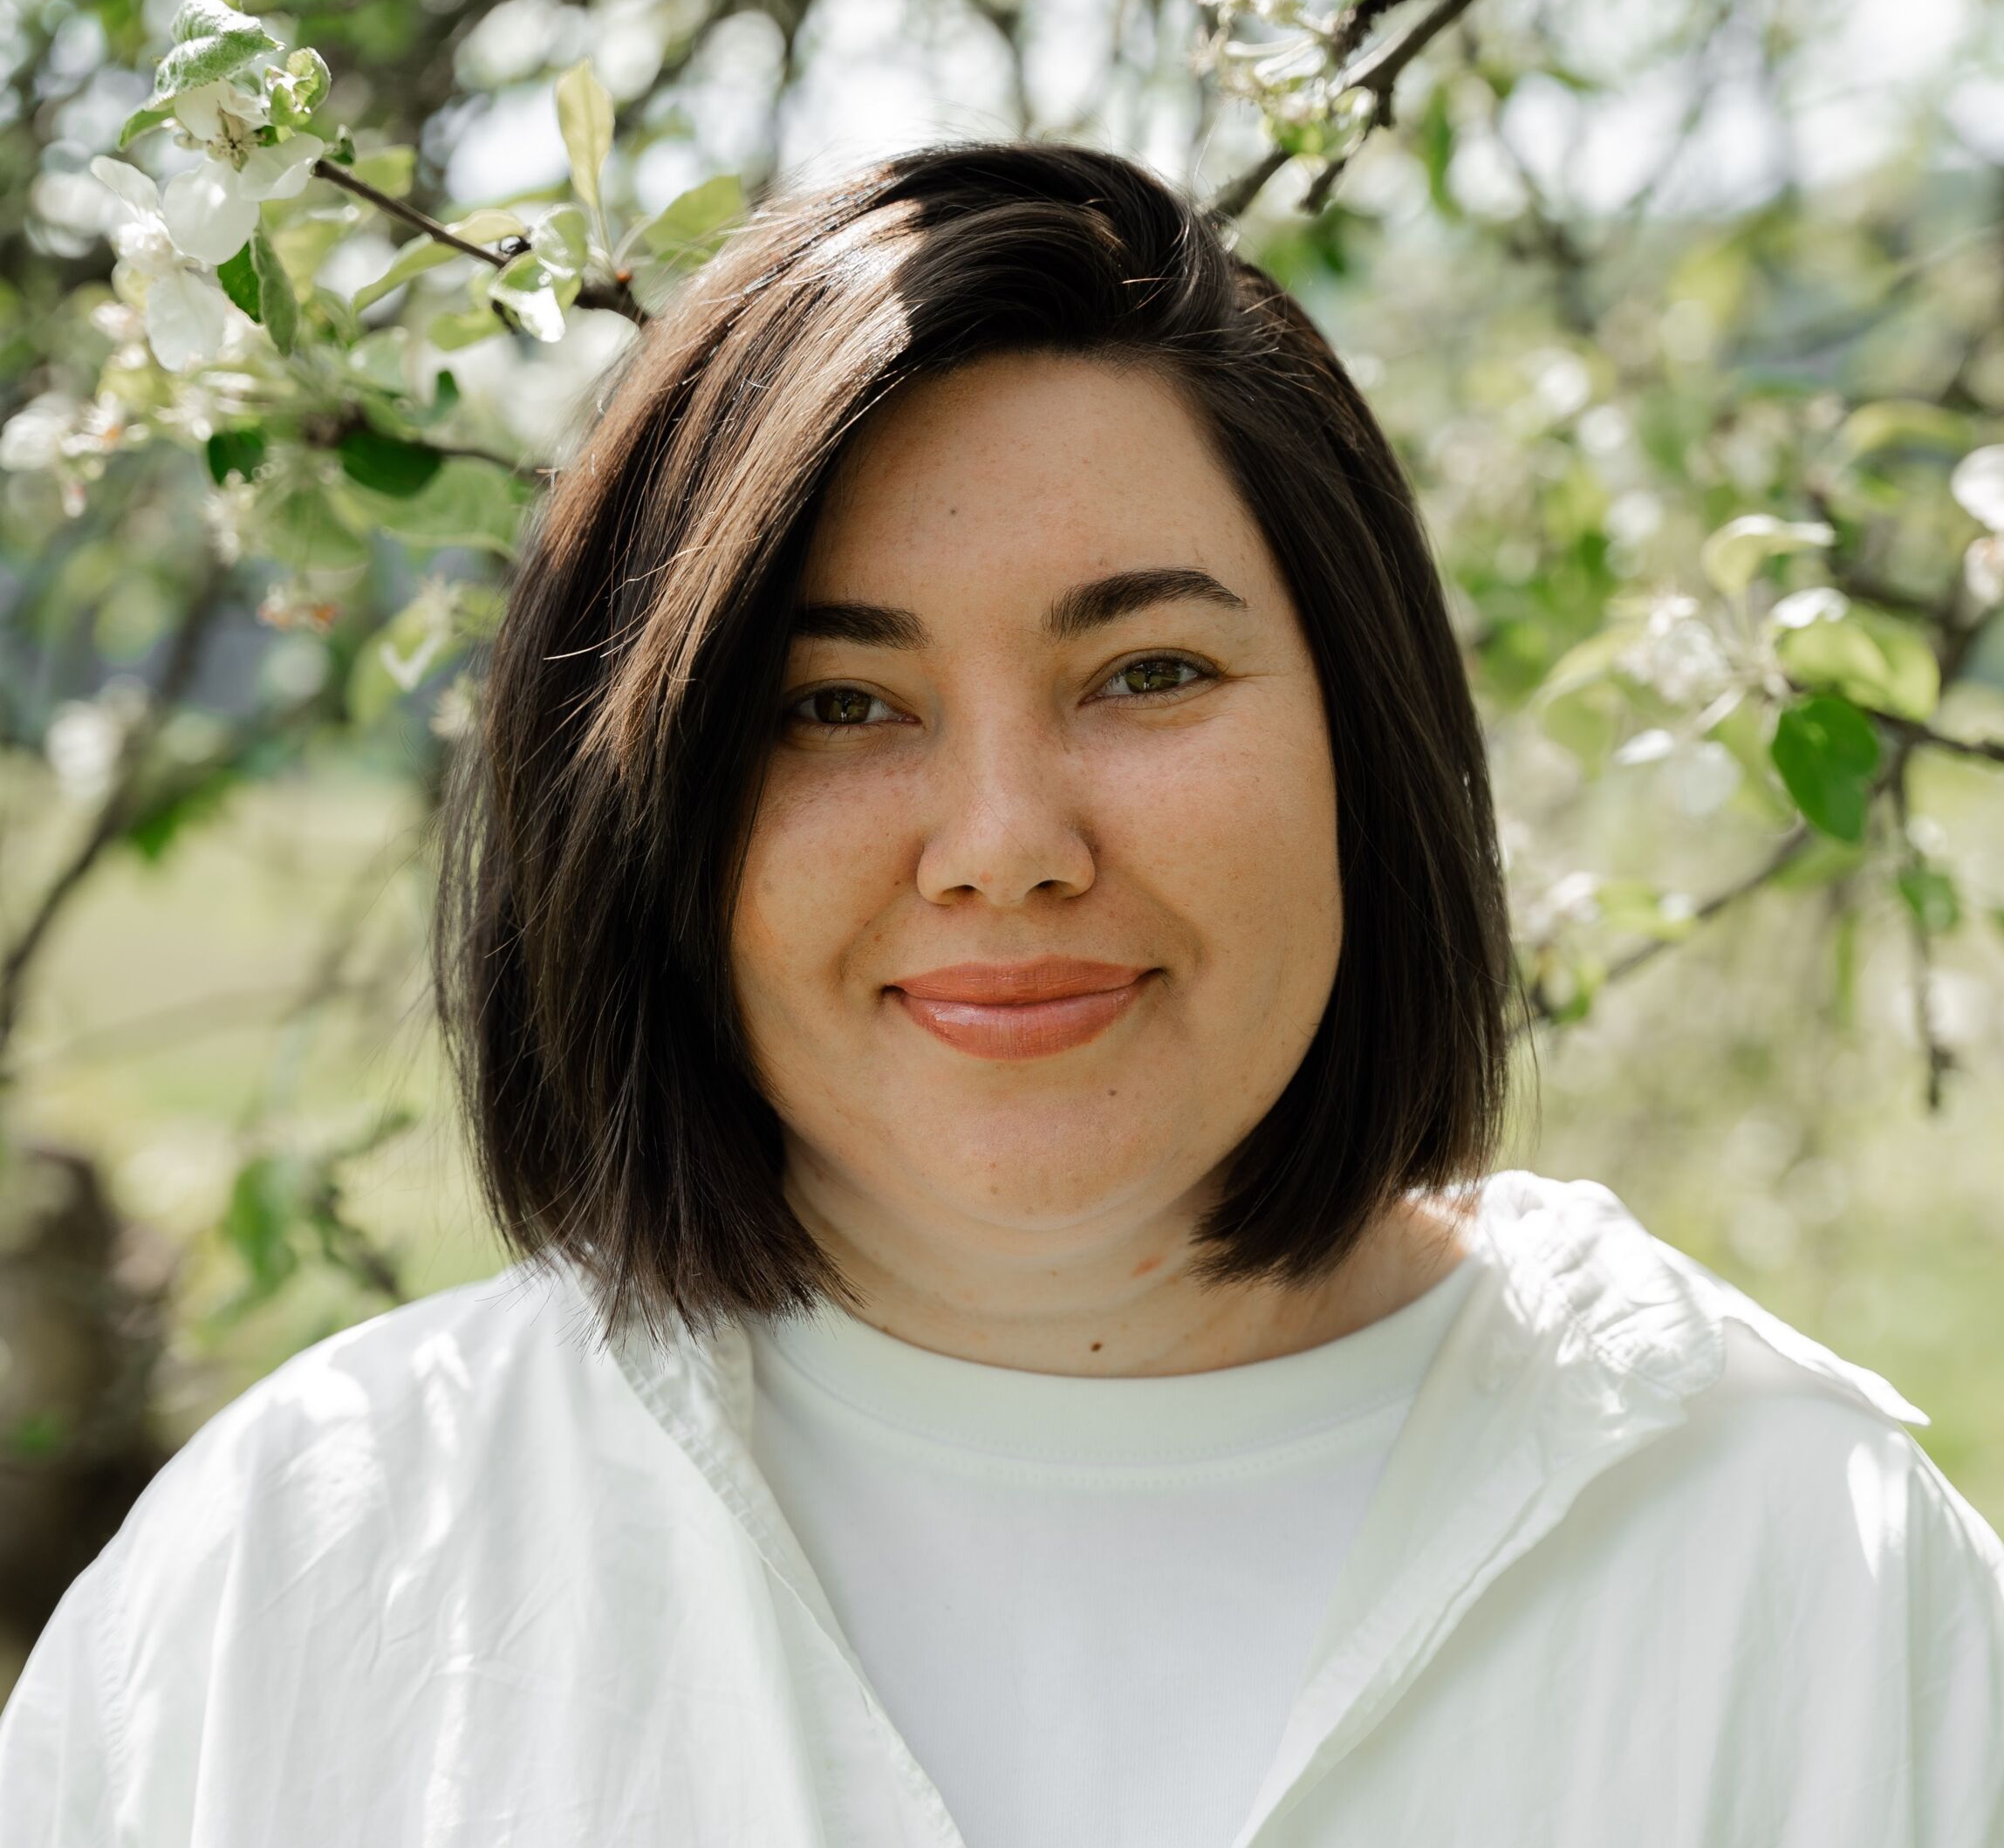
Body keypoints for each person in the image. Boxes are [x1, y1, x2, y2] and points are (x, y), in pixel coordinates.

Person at [2, 142, 2000, 1847]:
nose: (1003, 843)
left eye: (1148, 675)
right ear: (649, 813)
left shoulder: (1794, 1560)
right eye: (836, 703)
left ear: (1368, 746)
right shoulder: (315, 1568)